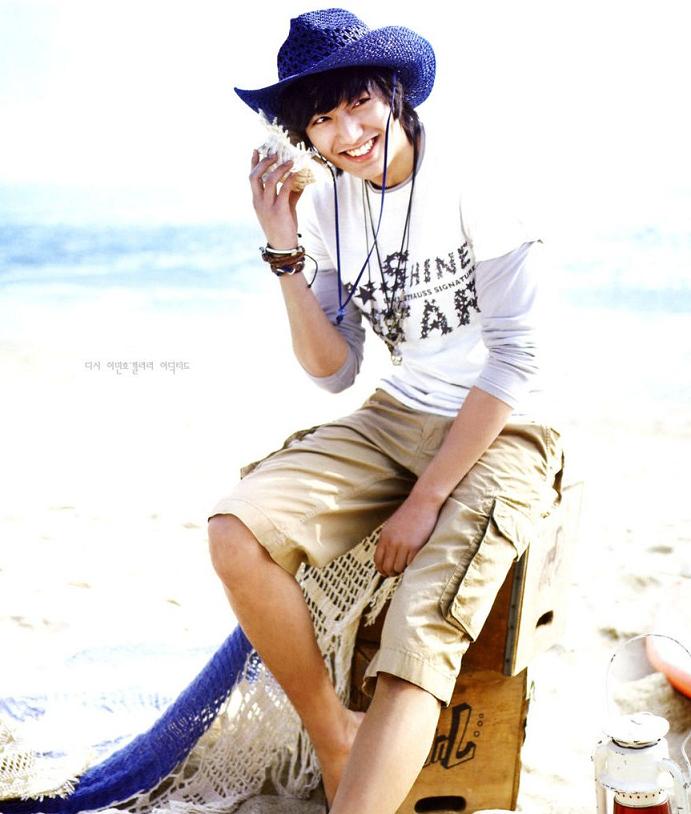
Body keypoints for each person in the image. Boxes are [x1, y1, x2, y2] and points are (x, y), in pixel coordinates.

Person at [208, 8, 564, 814]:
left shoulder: (476, 180)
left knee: (417, 638)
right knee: (236, 531)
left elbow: (515, 360)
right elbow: (333, 372)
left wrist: (425, 499)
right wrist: (283, 251)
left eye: (358, 104)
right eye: (321, 120)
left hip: (504, 424)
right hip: (396, 410)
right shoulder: (329, 203)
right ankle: (333, 730)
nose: (346, 133)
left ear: (394, 93)